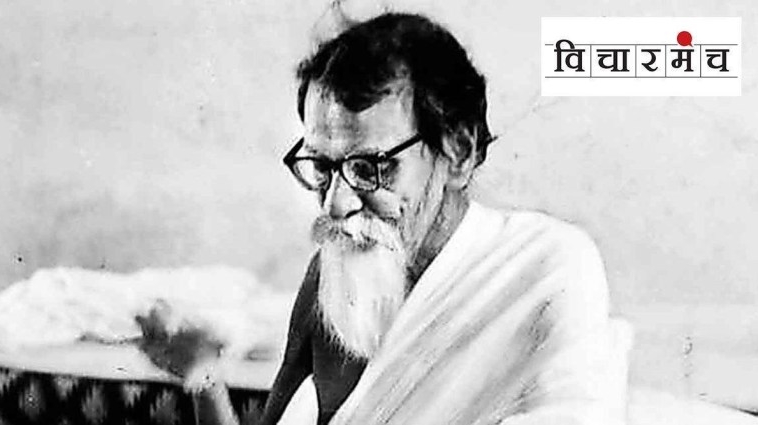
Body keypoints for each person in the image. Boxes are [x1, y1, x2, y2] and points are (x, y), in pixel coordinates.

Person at [137, 12, 629, 425]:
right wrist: (203, 375)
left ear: (458, 152)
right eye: (323, 168)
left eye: (370, 168)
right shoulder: (330, 278)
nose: (335, 205)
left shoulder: (543, 267)